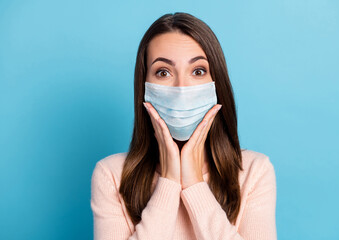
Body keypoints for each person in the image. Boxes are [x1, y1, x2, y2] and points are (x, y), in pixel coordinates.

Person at [91, 12, 277, 240]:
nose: (181, 88)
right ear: (144, 87)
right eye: (163, 72)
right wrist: (168, 181)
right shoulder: (111, 175)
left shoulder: (254, 171)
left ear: (216, 84)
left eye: (198, 71)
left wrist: (194, 183)